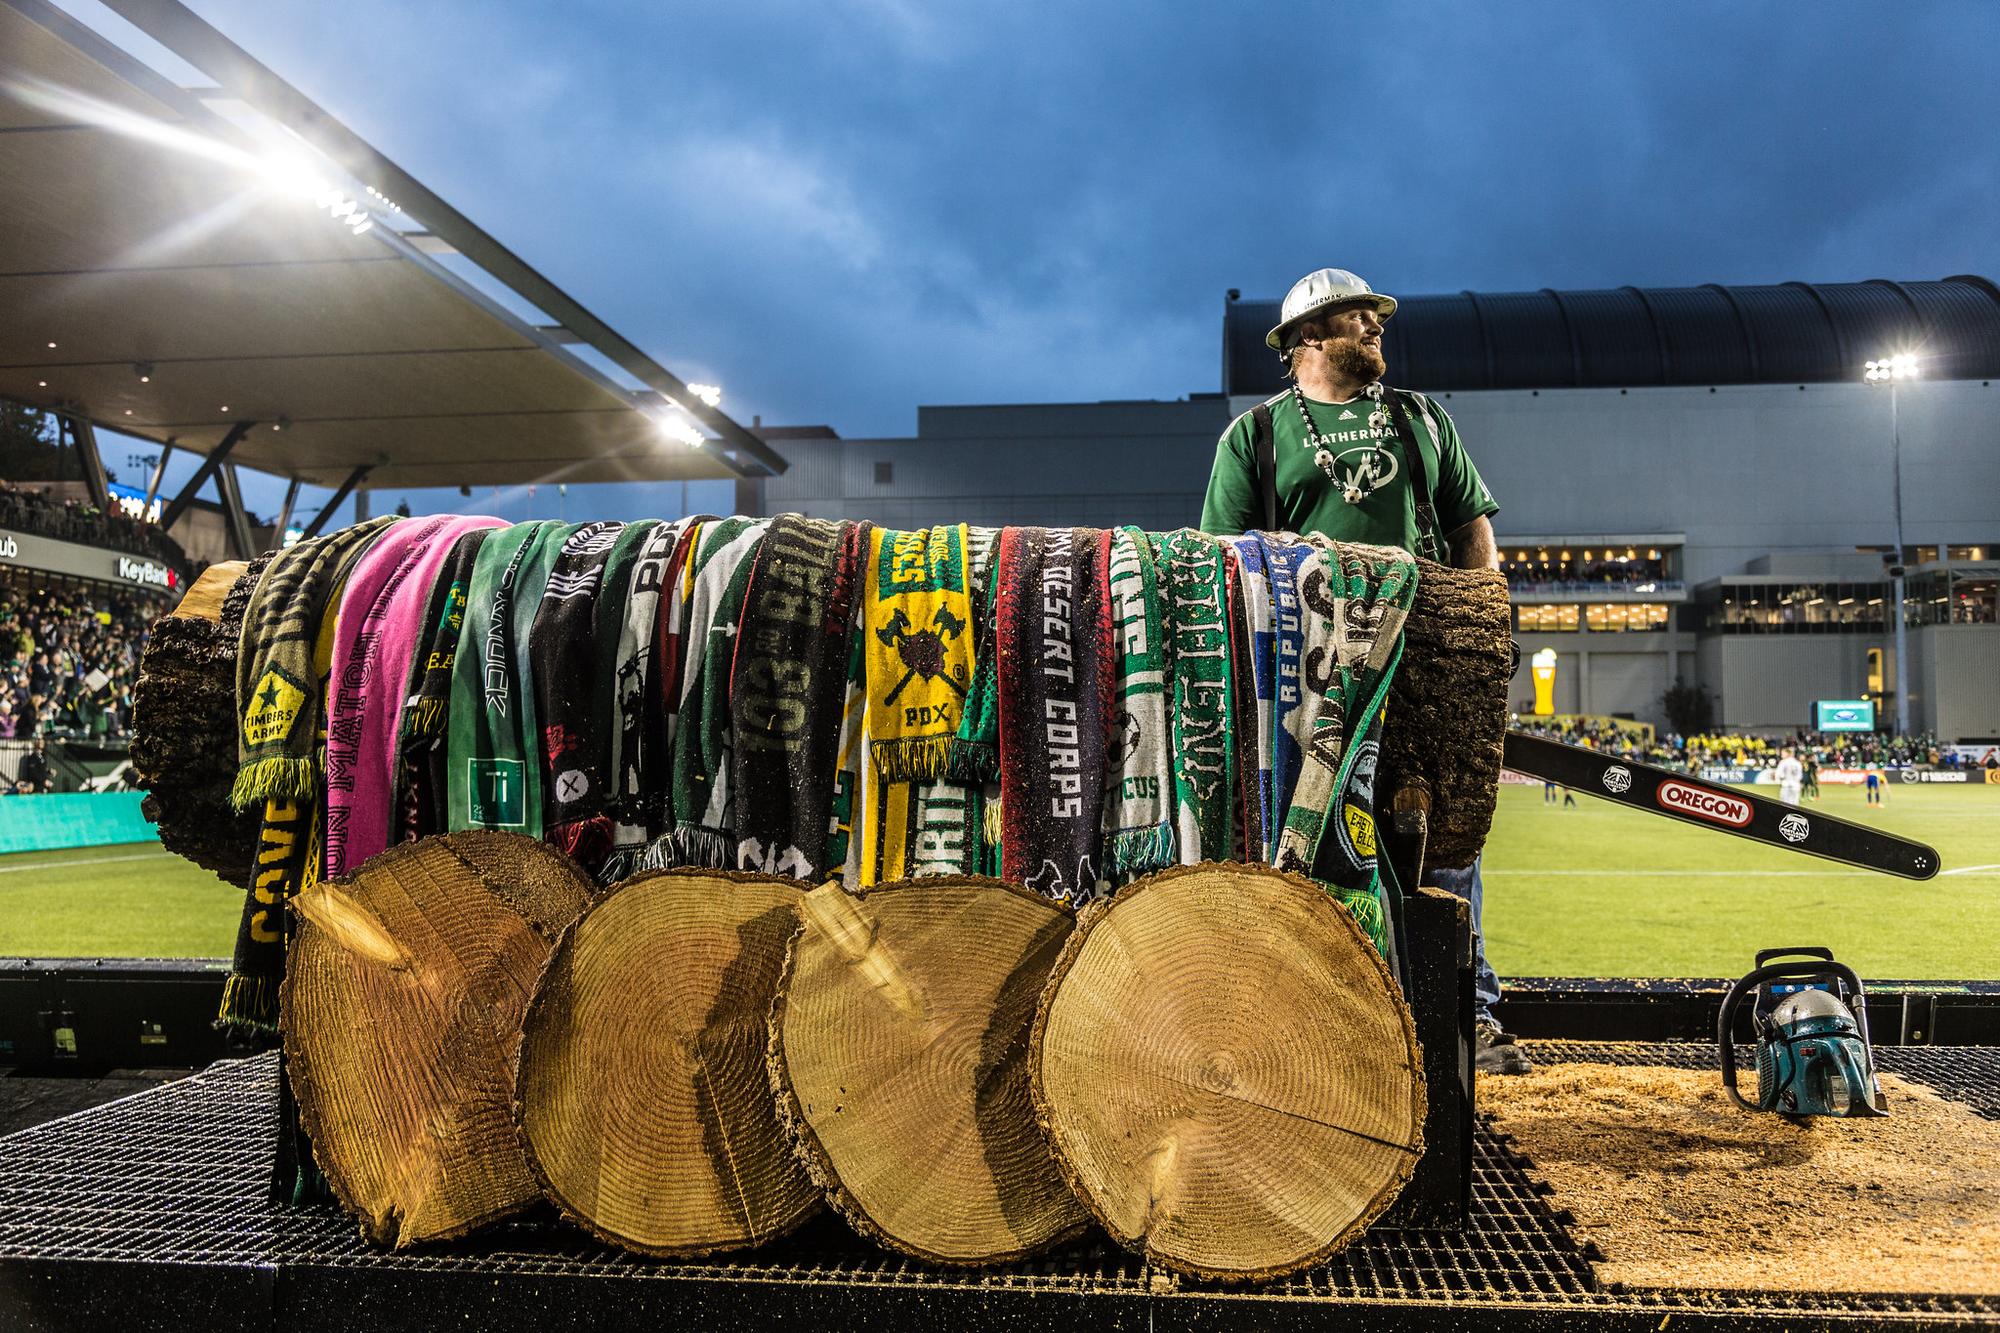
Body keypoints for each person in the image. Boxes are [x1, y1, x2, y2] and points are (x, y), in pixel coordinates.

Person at [1199, 268, 1525, 1074]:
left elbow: (1470, 529)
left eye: (1377, 318)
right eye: (1358, 318)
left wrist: (1479, 625)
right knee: (1312, 843)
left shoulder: (1419, 417)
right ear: (1309, 336)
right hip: (1309, 671)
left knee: (1446, 843)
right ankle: (1316, 1020)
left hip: (1423, 661)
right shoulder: (1256, 436)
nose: (1378, 327)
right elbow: (1221, 561)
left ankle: (1467, 1016)